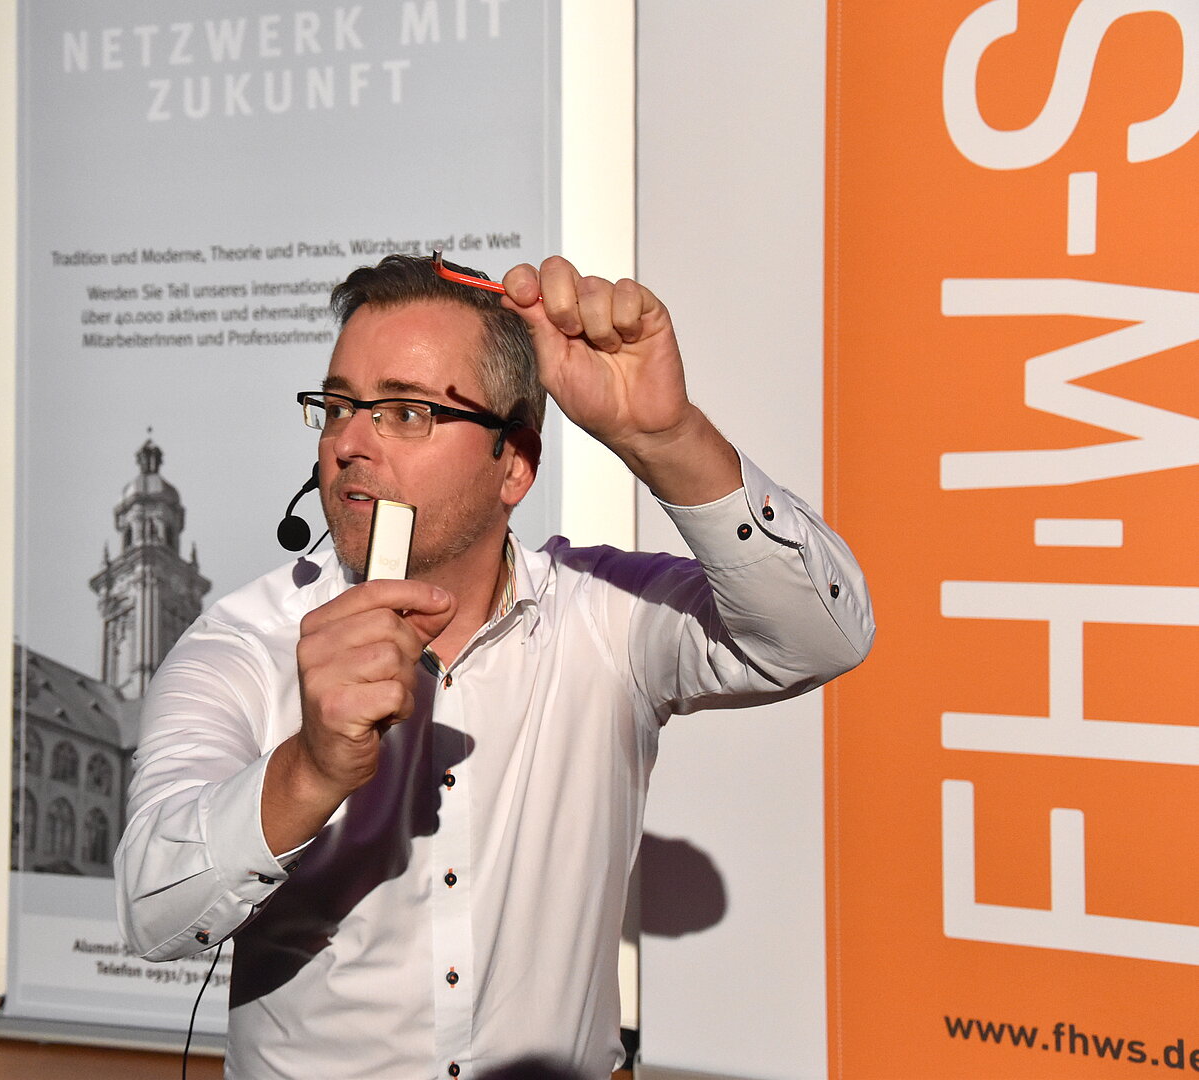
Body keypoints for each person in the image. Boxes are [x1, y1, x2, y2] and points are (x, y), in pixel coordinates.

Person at [115, 253, 873, 1079]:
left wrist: (667, 439)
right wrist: (307, 771)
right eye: (336, 407)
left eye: (406, 412)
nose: (349, 444)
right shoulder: (245, 642)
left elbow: (820, 636)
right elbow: (153, 914)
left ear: (512, 464)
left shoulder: (601, 614)